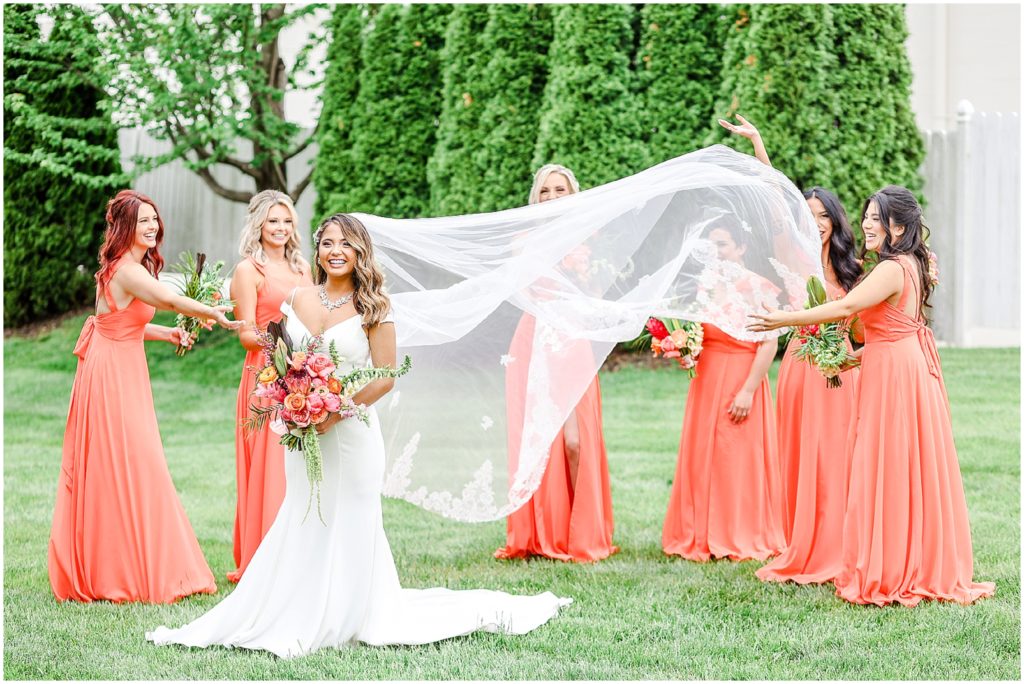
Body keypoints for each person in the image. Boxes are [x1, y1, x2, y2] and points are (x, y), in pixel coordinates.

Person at [147, 214, 571, 657]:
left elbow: (386, 376)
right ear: (317, 249)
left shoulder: (374, 307)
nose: (334, 251)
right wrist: (287, 393)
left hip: (351, 435)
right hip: (302, 432)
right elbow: (279, 355)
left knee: (349, 520)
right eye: (327, 243)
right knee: (303, 515)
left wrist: (337, 409)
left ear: (359, 253)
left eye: (345, 244)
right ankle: (295, 606)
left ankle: (348, 611)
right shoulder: (296, 297)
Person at [749, 185, 995, 606]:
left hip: (895, 378)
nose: (866, 224)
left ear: (898, 226)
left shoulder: (892, 268)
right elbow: (894, 331)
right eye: (865, 216)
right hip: (899, 366)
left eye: (876, 218)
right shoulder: (914, 264)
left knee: (886, 466)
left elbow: (846, 309)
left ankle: (891, 567)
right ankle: (904, 559)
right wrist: (853, 359)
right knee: (900, 467)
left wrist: (784, 318)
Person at [49, 189, 243, 603]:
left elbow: (122, 321)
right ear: (124, 228)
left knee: (132, 461)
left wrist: (167, 332)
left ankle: (124, 562)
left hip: (121, 366)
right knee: (133, 461)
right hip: (110, 376)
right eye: (143, 221)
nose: (153, 226)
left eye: (155, 219)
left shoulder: (131, 267)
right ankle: (126, 569)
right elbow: (170, 299)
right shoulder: (125, 269)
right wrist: (208, 311)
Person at [720, 116, 863, 584]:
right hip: (803, 366)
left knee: (839, 455)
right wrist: (759, 145)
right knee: (803, 456)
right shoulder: (793, 255)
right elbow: (776, 201)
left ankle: (844, 546)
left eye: (825, 216)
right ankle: (805, 546)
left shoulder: (854, 267)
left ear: (836, 221)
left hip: (842, 368)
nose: (817, 224)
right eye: (810, 215)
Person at [494, 164, 618, 562]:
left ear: (572, 193)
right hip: (534, 342)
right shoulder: (524, 240)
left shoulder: (589, 238)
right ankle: (542, 532)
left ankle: (582, 532)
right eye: (544, 190)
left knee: (575, 441)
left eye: (559, 189)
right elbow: (520, 289)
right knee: (539, 441)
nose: (550, 196)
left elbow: (594, 293)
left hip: (572, 341)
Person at [662, 216, 786, 563]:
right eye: (710, 246)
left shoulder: (757, 286)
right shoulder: (707, 284)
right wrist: (684, 349)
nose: (716, 253)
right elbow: (703, 334)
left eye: (723, 245)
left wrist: (748, 390)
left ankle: (739, 532)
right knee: (705, 455)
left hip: (741, 375)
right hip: (707, 377)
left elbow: (768, 344)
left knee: (736, 458)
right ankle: (699, 532)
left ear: (741, 247)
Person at [227, 190, 312, 583]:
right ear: (259, 224)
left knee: (297, 463)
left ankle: (299, 552)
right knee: (269, 467)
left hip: (301, 372)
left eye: (287, 221)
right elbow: (245, 333)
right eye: (273, 221)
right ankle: (264, 559)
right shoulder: (248, 270)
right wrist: (279, 348)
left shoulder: (302, 267)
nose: (280, 228)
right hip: (264, 374)